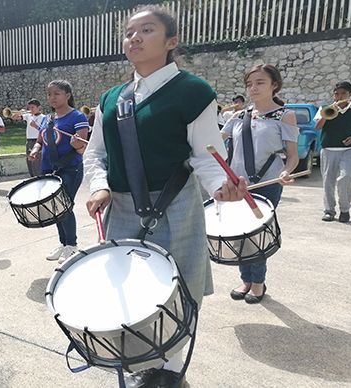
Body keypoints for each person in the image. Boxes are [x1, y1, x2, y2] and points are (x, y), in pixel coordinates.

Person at [83, 6, 247, 387]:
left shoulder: (192, 91)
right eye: (129, 32)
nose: (134, 38)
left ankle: (170, 371)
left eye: (147, 30)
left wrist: (220, 189)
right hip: (122, 206)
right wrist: (99, 185)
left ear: (171, 42)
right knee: (132, 289)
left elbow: (207, 157)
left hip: (174, 205)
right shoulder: (111, 98)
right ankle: (146, 361)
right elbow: (96, 153)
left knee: (178, 290)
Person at [221, 64, 299, 304]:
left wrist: (286, 172)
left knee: (256, 233)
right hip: (238, 185)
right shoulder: (238, 116)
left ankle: (258, 282)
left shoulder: (285, 115)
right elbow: (214, 141)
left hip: (267, 184)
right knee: (240, 233)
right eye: (250, 84)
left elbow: (293, 155)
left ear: (274, 85)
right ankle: (245, 279)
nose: (253, 88)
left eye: (260, 83)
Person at [29, 80, 89, 263]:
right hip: (49, 169)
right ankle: (63, 244)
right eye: (49, 94)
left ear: (67, 95)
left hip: (70, 168)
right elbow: (41, 139)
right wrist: (36, 149)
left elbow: (82, 145)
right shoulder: (48, 119)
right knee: (56, 207)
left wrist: (77, 143)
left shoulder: (78, 117)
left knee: (65, 206)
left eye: (57, 94)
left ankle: (72, 245)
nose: (52, 98)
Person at [314, 81, 351, 223]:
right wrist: (328, 112)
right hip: (328, 149)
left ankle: (345, 210)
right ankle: (329, 210)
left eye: (343, 93)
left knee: (346, 178)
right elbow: (317, 127)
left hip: (348, 150)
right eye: (336, 94)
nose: (339, 97)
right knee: (328, 181)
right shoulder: (325, 107)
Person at [12, 99, 47, 177]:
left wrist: (36, 126)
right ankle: (32, 178)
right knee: (29, 162)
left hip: (38, 141)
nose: (31, 109)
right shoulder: (28, 116)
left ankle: (39, 178)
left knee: (37, 162)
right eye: (29, 108)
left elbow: (45, 131)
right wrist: (16, 115)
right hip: (29, 141)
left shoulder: (44, 117)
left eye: (33, 107)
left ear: (39, 107)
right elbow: (17, 118)